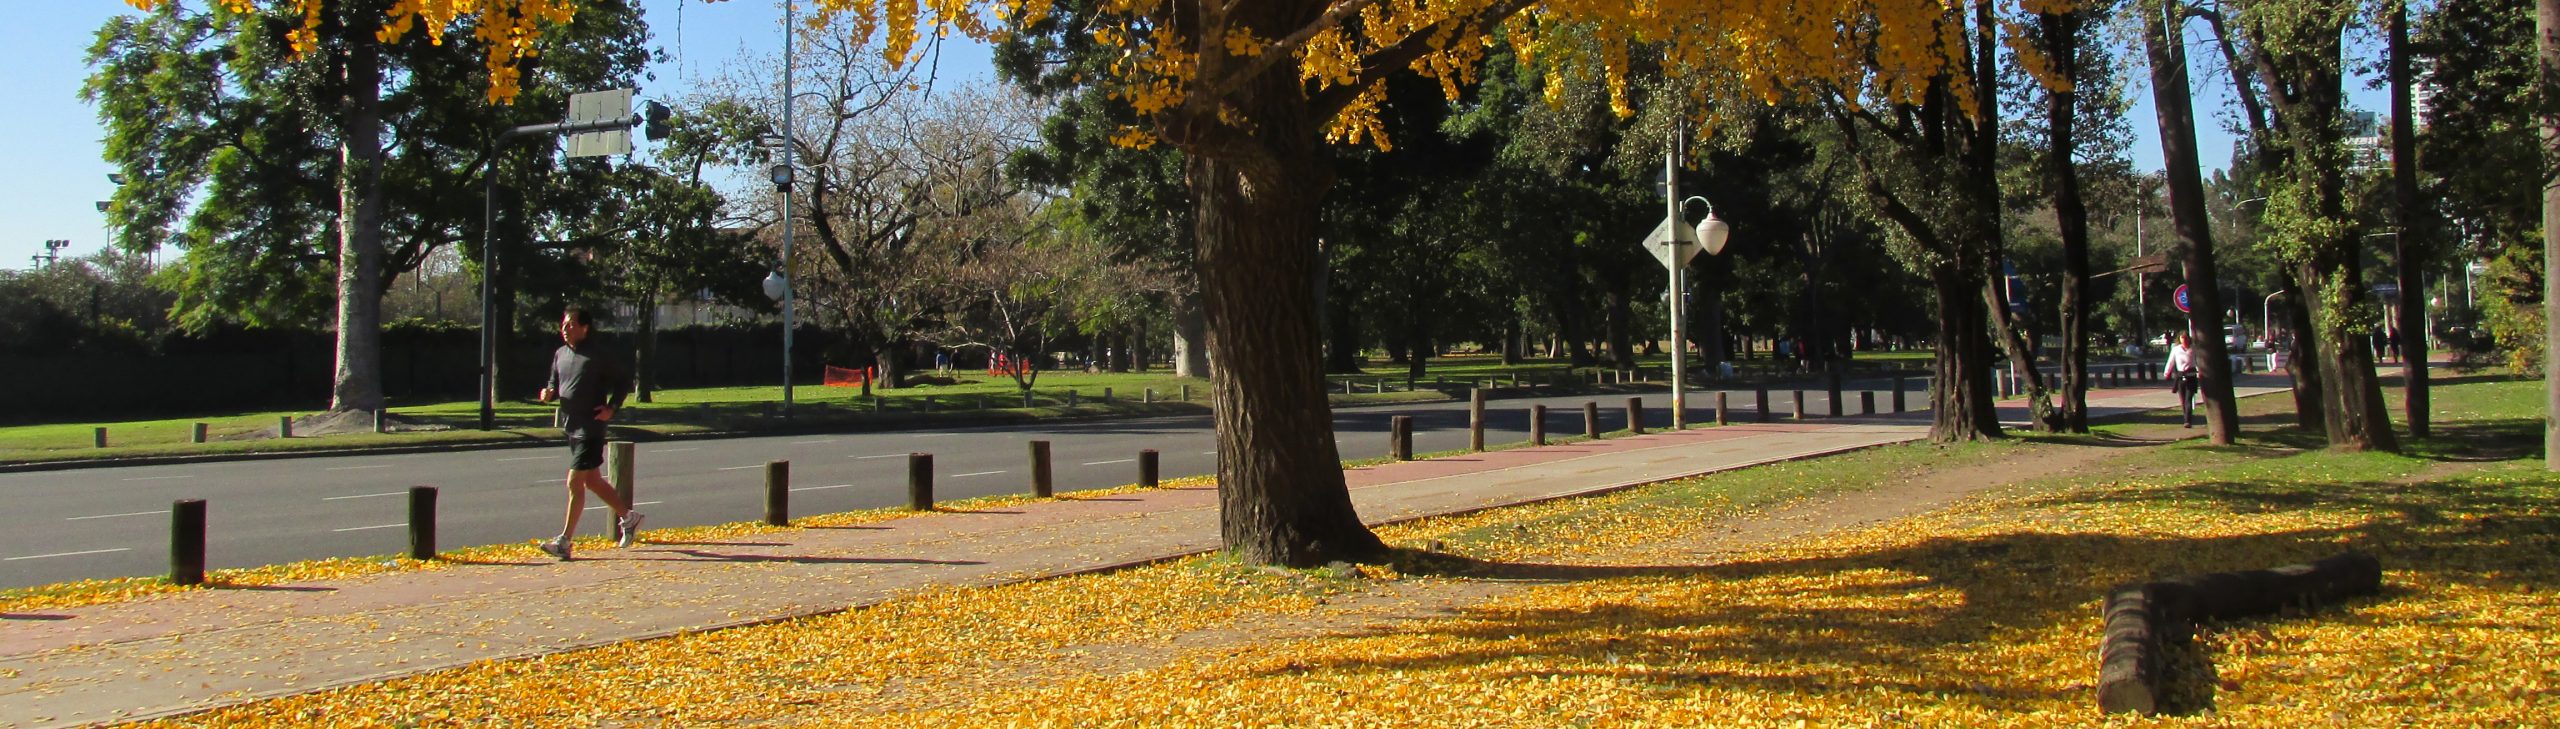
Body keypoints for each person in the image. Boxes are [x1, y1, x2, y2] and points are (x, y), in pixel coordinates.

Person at [533, 305, 642, 561]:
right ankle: (628, 517)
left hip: (591, 427)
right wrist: (547, 393)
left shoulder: (598, 355)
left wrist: (611, 408)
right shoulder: (560, 354)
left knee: (574, 482)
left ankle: (564, 541)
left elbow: (625, 381)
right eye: (563, 324)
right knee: (592, 481)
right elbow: (553, 382)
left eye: (570, 324)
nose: (565, 329)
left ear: (585, 327)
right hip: (572, 425)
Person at [2163, 332, 2200, 428]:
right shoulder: (2176, 349)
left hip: (2191, 376)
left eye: (2186, 338)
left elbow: (2198, 361)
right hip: (2180, 376)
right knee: (2183, 400)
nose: (2184, 341)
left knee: (2188, 399)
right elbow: (2170, 361)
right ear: (2179, 339)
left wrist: (2200, 372)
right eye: (2182, 339)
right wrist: (2167, 372)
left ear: (2189, 339)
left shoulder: (2193, 349)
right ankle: (2186, 418)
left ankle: (2188, 420)